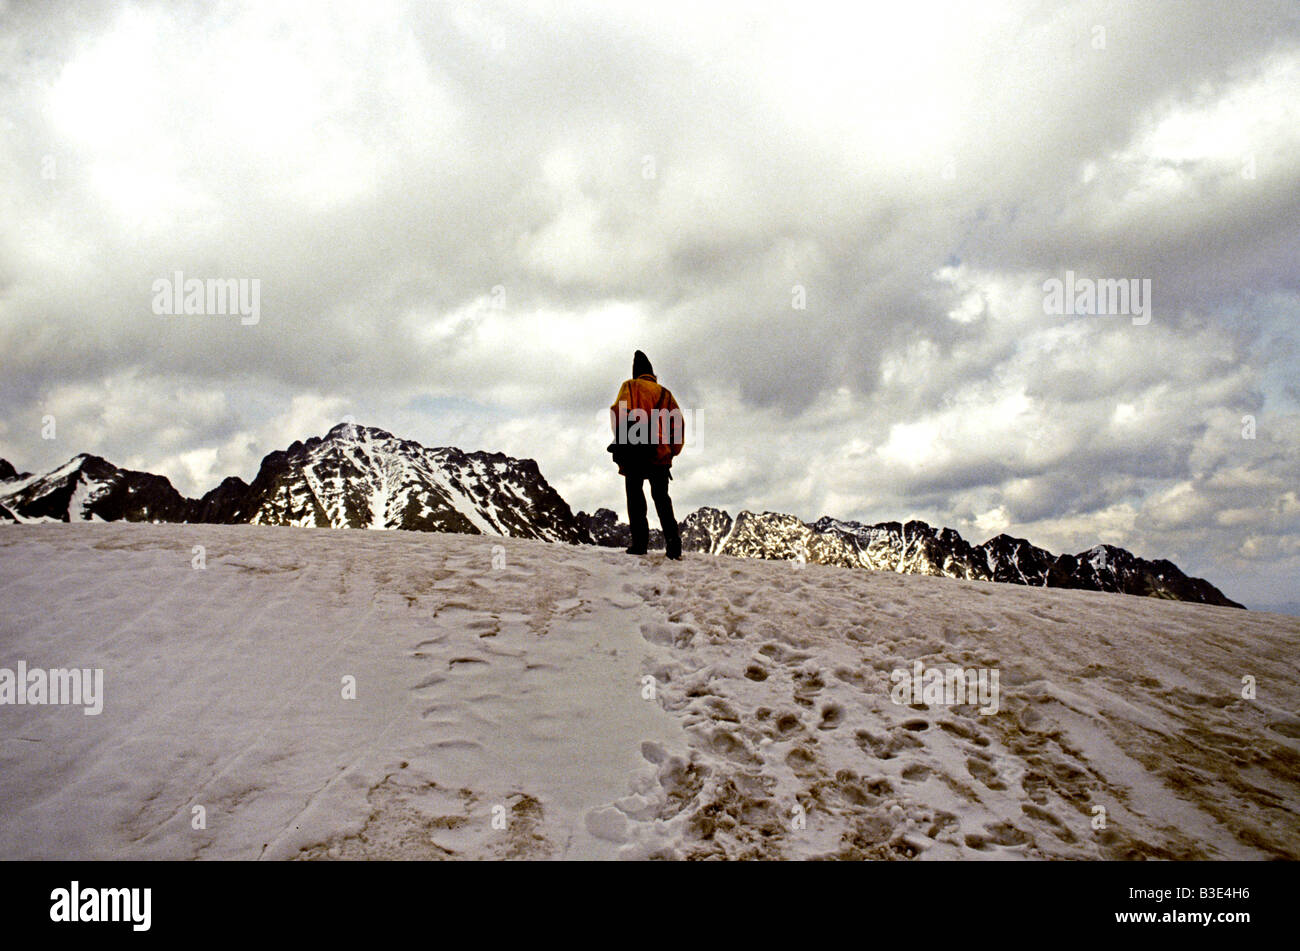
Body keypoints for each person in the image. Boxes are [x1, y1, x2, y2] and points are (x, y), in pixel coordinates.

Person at [610, 350, 684, 559]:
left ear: (636, 372)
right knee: (661, 498)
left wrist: (624, 440)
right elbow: (677, 424)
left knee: (635, 496)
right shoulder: (666, 394)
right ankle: (673, 545)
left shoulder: (630, 386)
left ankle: (640, 544)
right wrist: (671, 451)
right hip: (660, 455)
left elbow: (618, 411)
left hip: (635, 451)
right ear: (652, 373)